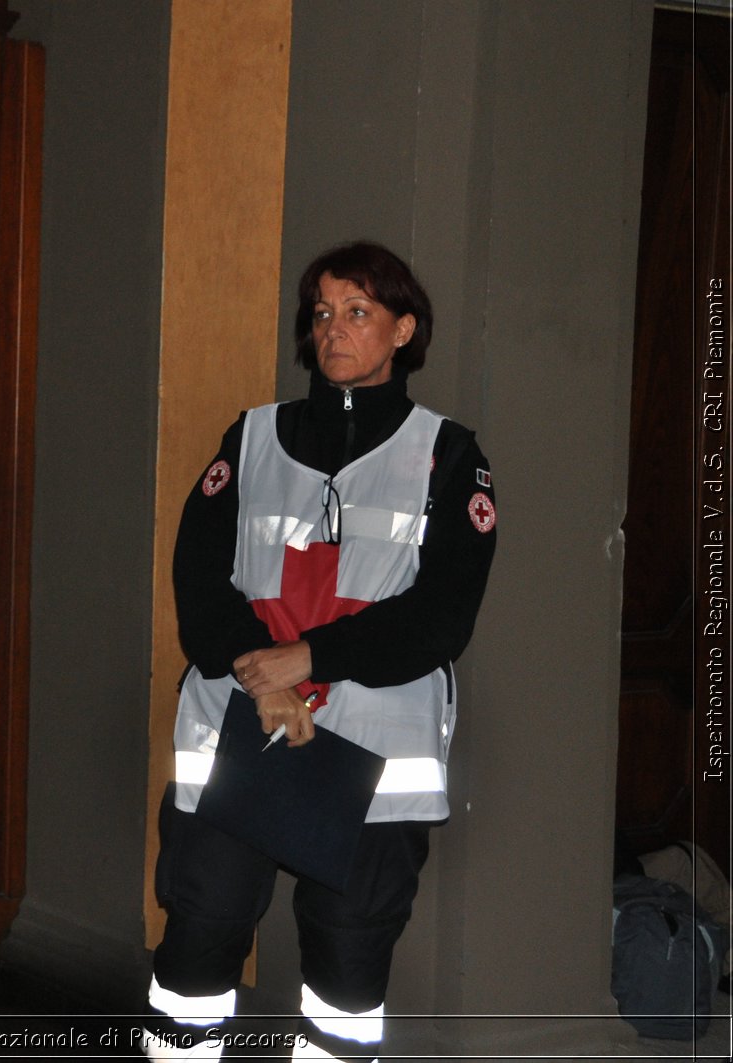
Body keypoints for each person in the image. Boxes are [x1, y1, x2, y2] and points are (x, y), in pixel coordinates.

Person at [144, 242, 496, 1062]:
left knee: (346, 972)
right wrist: (259, 674)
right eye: (323, 312)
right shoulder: (255, 436)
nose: (334, 329)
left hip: (370, 759)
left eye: (360, 312)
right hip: (241, 736)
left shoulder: (449, 455)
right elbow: (197, 577)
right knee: (198, 942)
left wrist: (309, 658)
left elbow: (443, 615)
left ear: (404, 330)